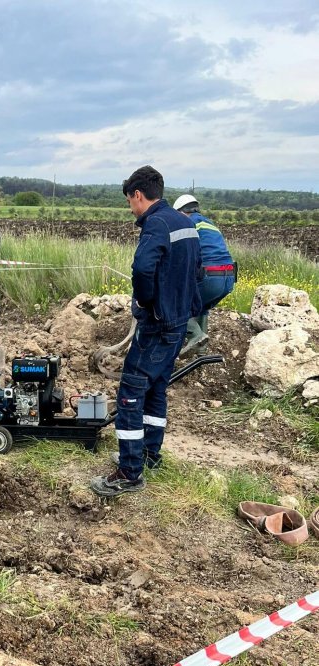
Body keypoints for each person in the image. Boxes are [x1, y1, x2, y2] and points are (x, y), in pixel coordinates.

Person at [91, 166, 201, 498]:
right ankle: (149, 455)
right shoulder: (187, 223)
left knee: (130, 394)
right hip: (179, 323)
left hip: (157, 325)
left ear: (138, 195)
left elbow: (142, 268)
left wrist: (146, 301)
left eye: (130, 202)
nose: (131, 208)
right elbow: (197, 271)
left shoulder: (155, 224)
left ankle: (129, 472)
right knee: (155, 391)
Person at [173, 194, 236, 354]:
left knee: (173, 306)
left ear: (180, 212)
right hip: (229, 277)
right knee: (200, 307)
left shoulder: (187, 223)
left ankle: (196, 335)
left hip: (210, 276)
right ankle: (201, 351)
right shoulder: (210, 224)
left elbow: (181, 253)